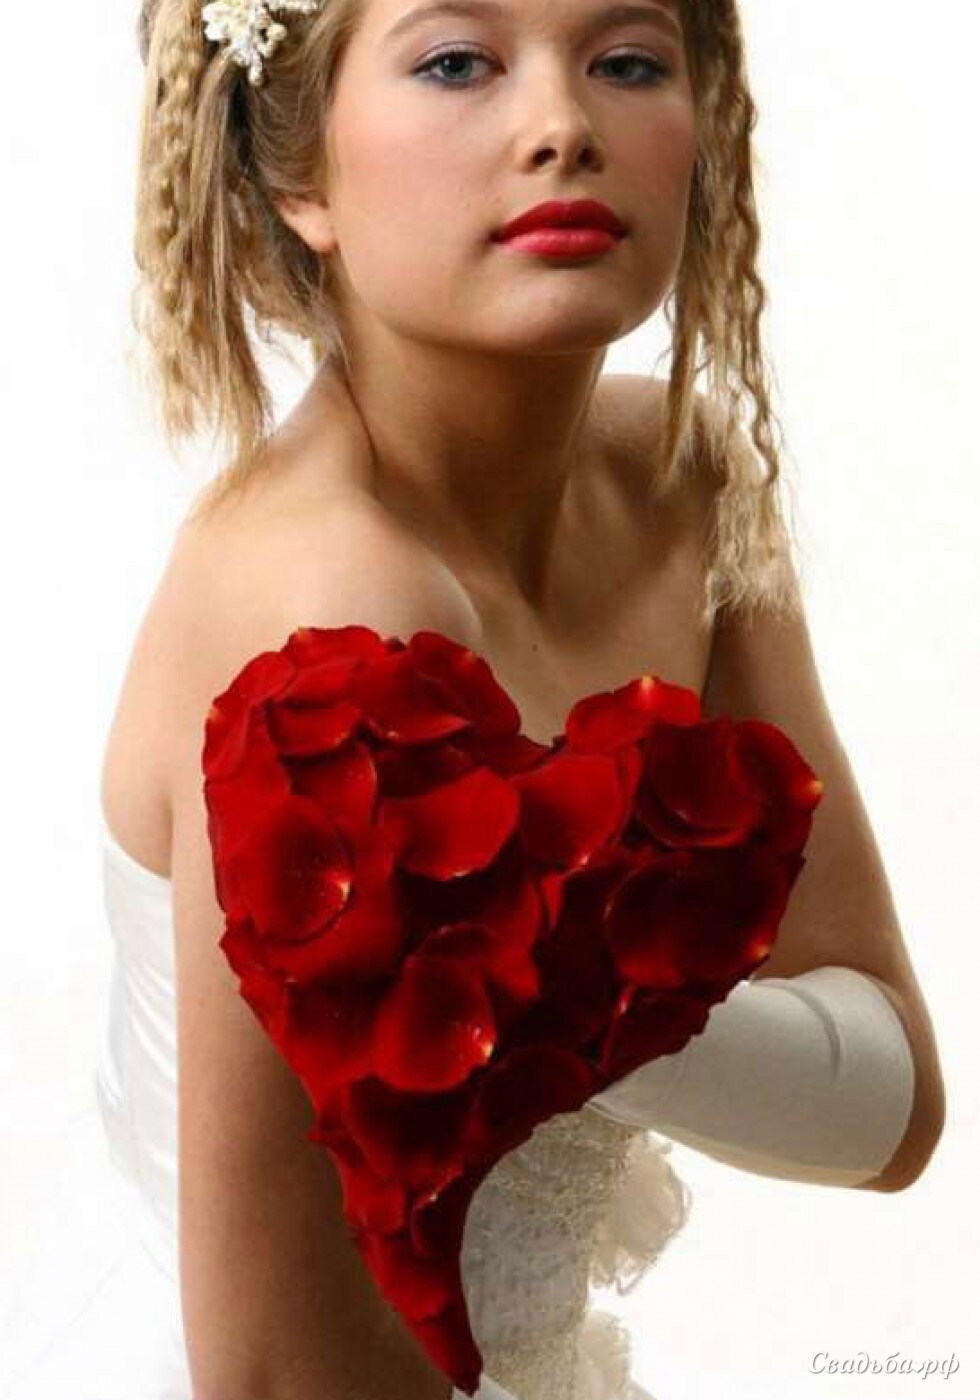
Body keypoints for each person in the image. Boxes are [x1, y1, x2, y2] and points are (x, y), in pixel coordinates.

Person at [0, 0, 946, 1396]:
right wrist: (617, 965)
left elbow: (892, 1111)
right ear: (300, 181)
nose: (562, 126)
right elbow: (269, 1373)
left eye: (628, 62)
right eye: (456, 62)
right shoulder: (318, 609)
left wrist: (582, 956)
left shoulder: (681, 480)